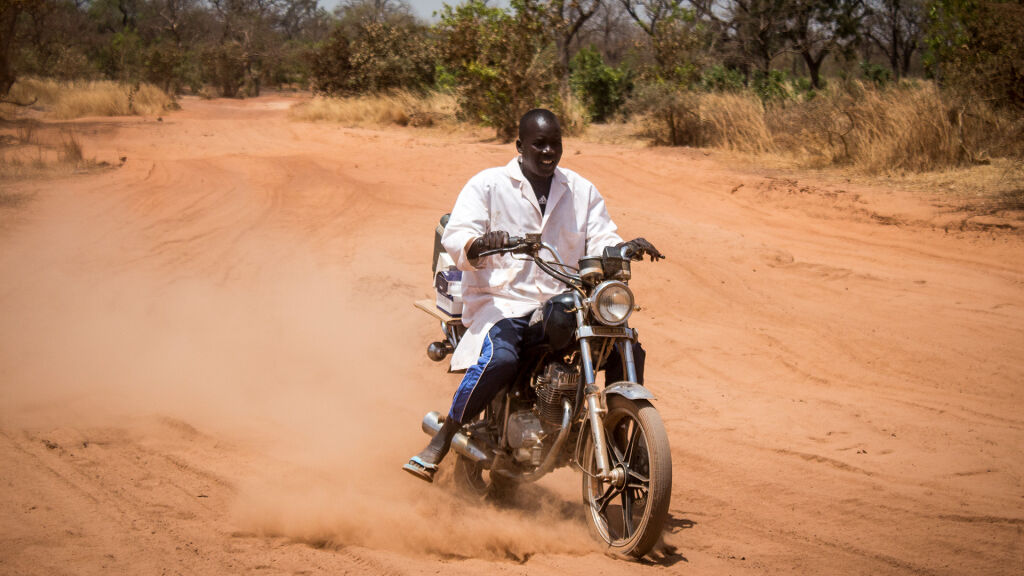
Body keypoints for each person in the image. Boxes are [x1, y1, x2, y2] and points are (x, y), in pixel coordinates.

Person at [403, 108, 663, 483]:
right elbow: (458, 236)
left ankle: (622, 436)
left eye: (554, 144)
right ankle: (444, 439)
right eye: (539, 144)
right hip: (502, 300)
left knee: (626, 345)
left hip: (564, 299)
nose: (548, 152)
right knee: (502, 359)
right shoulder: (488, 185)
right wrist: (480, 243)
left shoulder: (580, 190)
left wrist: (621, 248)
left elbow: (603, 235)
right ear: (519, 146)